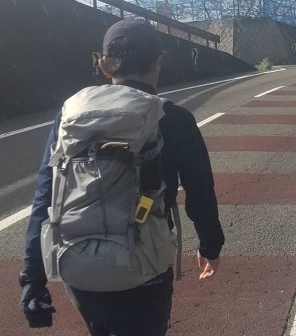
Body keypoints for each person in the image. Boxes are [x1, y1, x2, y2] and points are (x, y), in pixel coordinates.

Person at [19, 20, 224, 335]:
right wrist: (210, 246)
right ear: (159, 63)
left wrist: (33, 279)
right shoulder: (173, 118)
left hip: (76, 264)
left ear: (103, 66)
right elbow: (200, 192)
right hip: (145, 266)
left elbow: (45, 196)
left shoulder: (69, 116)